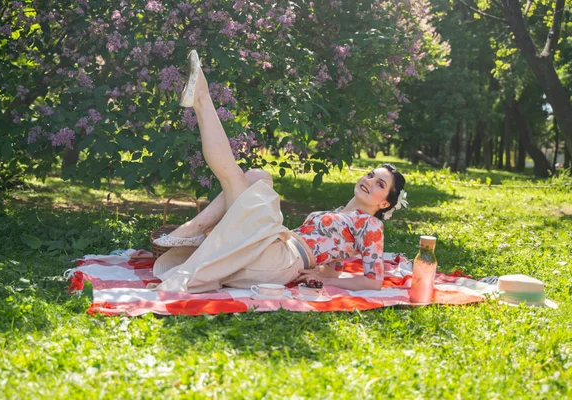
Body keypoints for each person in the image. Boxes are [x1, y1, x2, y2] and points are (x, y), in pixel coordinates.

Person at [152, 51, 407, 293]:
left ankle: (202, 100)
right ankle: (197, 227)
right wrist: (326, 273)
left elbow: (374, 282)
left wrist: (325, 281)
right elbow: (332, 265)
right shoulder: (343, 215)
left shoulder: (371, 224)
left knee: (236, 177)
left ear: (385, 203)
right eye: (371, 175)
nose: (370, 181)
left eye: (380, 184)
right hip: (275, 249)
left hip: (281, 259)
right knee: (257, 177)